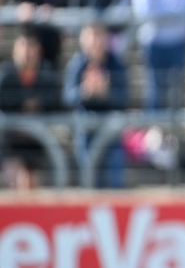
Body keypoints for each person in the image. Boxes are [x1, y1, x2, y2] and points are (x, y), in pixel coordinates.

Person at [62, 23, 128, 188]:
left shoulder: (116, 63)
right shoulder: (77, 64)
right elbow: (68, 96)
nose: (94, 41)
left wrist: (106, 93)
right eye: (90, 36)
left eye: (98, 35)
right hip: (86, 127)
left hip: (110, 126)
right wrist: (85, 92)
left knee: (115, 179)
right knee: (90, 178)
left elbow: (124, 97)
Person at [0, 27, 61, 189]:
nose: (27, 52)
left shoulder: (46, 74)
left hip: (38, 142)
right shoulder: (6, 75)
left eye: (31, 46)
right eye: (23, 46)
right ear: (15, 49)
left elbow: (52, 104)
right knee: (14, 182)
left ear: (39, 50)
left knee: (32, 186)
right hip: (11, 141)